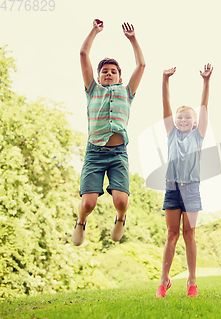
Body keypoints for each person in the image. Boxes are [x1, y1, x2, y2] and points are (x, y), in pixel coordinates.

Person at [73, 19, 145, 246]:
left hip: (118, 154)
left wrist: (133, 40)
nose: (108, 74)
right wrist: (95, 31)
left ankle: (121, 218)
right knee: (88, 204)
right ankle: (81, 221)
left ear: (120, 77)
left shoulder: (127, 92)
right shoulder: (92, 90)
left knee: (121, 201)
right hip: (94, 152)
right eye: (104, 71)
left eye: (113, 71)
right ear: (98, 75)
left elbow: (141, 66)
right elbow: (84, 54)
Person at [156, 64, 213, 298]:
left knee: (189, 234)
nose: (182, 119)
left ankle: (192, 281)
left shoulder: (198, 136)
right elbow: (165, 105)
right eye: (179, 117)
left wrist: (206, 82)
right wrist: (165, 79)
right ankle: (163, 281)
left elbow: (204, 106)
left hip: (191, 190)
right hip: (171, 188)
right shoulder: (171, 135)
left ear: (195, 121)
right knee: (172, 234)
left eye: (187, 117)